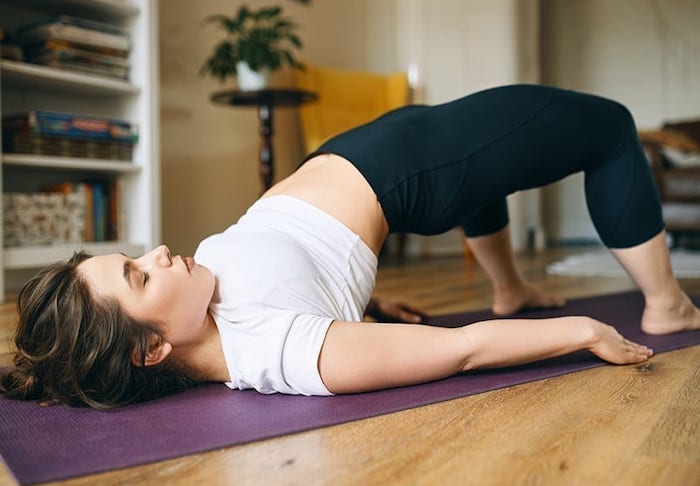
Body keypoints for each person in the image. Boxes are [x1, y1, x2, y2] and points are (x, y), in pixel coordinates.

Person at [2, 84, 699, 409]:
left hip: (386, 161)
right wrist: (579, 329)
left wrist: (363, 302)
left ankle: (509, 284)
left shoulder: (215, 313)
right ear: (152, 349)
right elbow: (459, 350)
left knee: (493, 170)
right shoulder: (284, 350)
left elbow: (297, 277)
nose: (157, 252)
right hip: (411, 173)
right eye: (138, 274)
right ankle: (666, 303)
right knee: (609, 127)